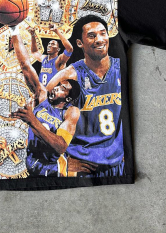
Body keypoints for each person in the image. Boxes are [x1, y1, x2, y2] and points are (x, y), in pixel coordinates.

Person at [8, 26, 97, 177]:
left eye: (62, 88)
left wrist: (32, 120)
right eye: (58, 85)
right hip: (31, 160)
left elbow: (61, 146)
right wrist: (14, 30)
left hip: (53, 167)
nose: (56, 88)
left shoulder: (70, 112)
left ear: (68, 98)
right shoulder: (42, 96)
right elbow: (26, 65)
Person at [46, 15, 124, 178]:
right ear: (80, 43)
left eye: (103, 33)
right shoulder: (69, 76)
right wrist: (61, 161)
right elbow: (39, 114)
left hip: (118, 163)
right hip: (82, 167)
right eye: (92, 35)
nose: (99, 39)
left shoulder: (121, 67)